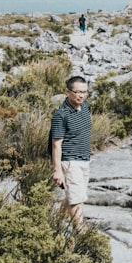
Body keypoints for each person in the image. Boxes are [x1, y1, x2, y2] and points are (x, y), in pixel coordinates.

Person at [50, 75, 92, 226]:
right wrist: (57, 170)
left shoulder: (85, 108)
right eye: (77, 92)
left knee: (75, 195)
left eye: (84, 92)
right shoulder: (61, 115)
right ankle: (80, 234)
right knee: (76, 200)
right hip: (70, 160)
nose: (81, 95)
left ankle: (55, 224)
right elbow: (56, 144)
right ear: (67, 92)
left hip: (84, 159)